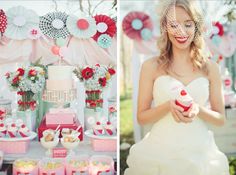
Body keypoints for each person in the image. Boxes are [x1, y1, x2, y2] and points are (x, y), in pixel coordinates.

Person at [124, 0, 230, 175]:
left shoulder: (211, 68)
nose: (181, 31)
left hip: (200, 153)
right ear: (165, 27)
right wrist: (168, 106)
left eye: (188, 24)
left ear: (196, 27)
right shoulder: (150, 67)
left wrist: (198, 109)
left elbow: (220, 119)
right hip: (160, 151)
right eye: (174, 25)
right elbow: (142, 117)